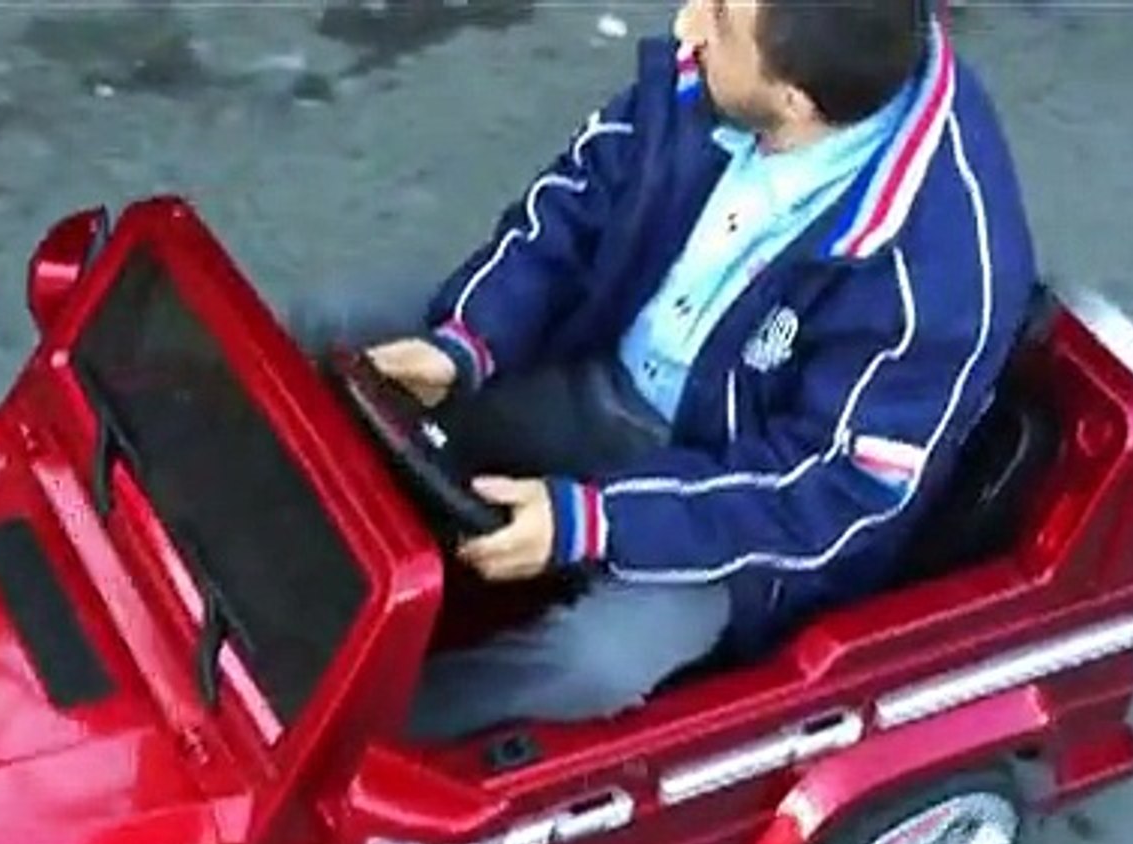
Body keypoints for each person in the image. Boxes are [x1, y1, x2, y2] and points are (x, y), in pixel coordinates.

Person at [296, 0, 1039, 743]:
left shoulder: (941, 281)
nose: (686, 24)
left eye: (719, 20)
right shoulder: (726, 70)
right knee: (338, 321)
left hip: (728, 498)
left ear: (794, 101)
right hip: (598, 359)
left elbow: (832, 493)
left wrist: (599, 521)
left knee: (598, 663)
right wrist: (468, 339)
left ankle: (365, 739)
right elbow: (578, 200)